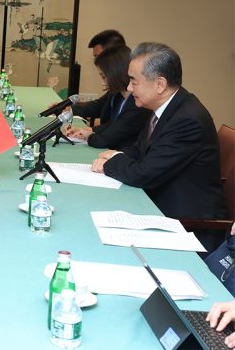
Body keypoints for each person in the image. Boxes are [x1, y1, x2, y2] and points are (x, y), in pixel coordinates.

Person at [91, 42, 225, 249]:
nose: (129, 88)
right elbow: (139, 150)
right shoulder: (165, 107)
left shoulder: (187, 119)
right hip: (158, 203)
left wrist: (112, 162)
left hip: (187, 223)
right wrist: (113, 154)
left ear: (159, 84)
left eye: (133, 81)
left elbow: (144, 173)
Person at [66, 45, 152, 149]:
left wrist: (89, 135)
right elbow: (113, 124)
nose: (102, 82)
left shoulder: (138, 105)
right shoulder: (117, 93)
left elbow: (105, 139)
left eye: (103, 77)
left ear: (116, 74)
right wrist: (88, 131)